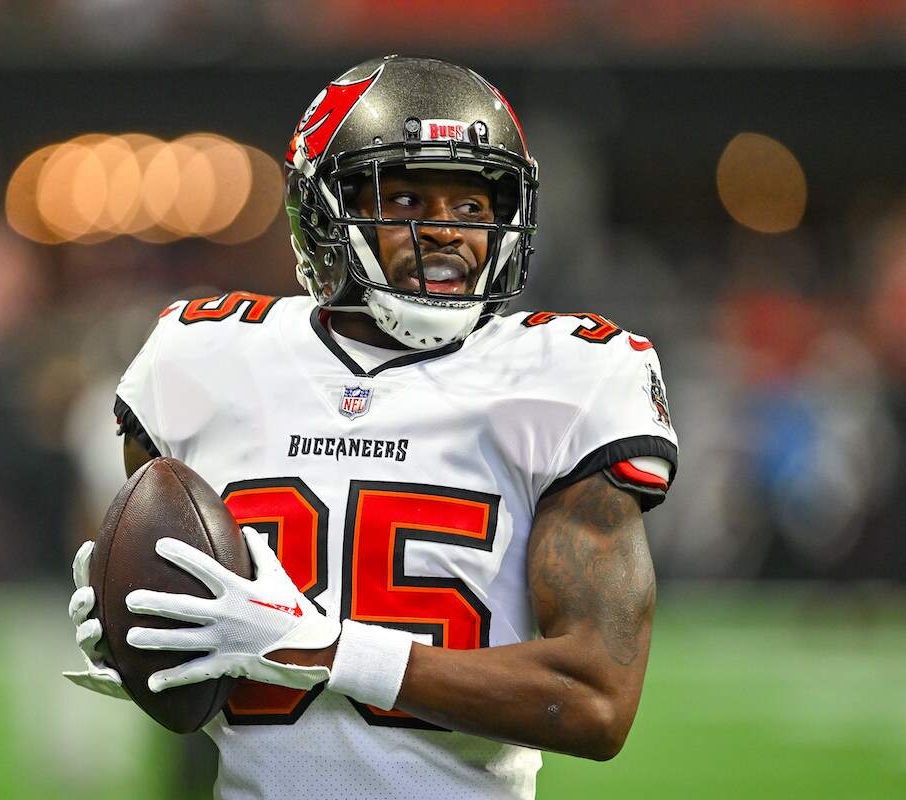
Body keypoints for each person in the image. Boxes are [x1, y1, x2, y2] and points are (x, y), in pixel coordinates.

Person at [65, 55, 678, 800]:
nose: (448, 233)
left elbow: (594, 700)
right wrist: (143, 622)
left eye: (473, 206)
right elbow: (172, 575)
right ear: (322, 210)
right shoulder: (204, 359)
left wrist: (321, 647)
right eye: (410, 199)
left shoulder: (564, 377)